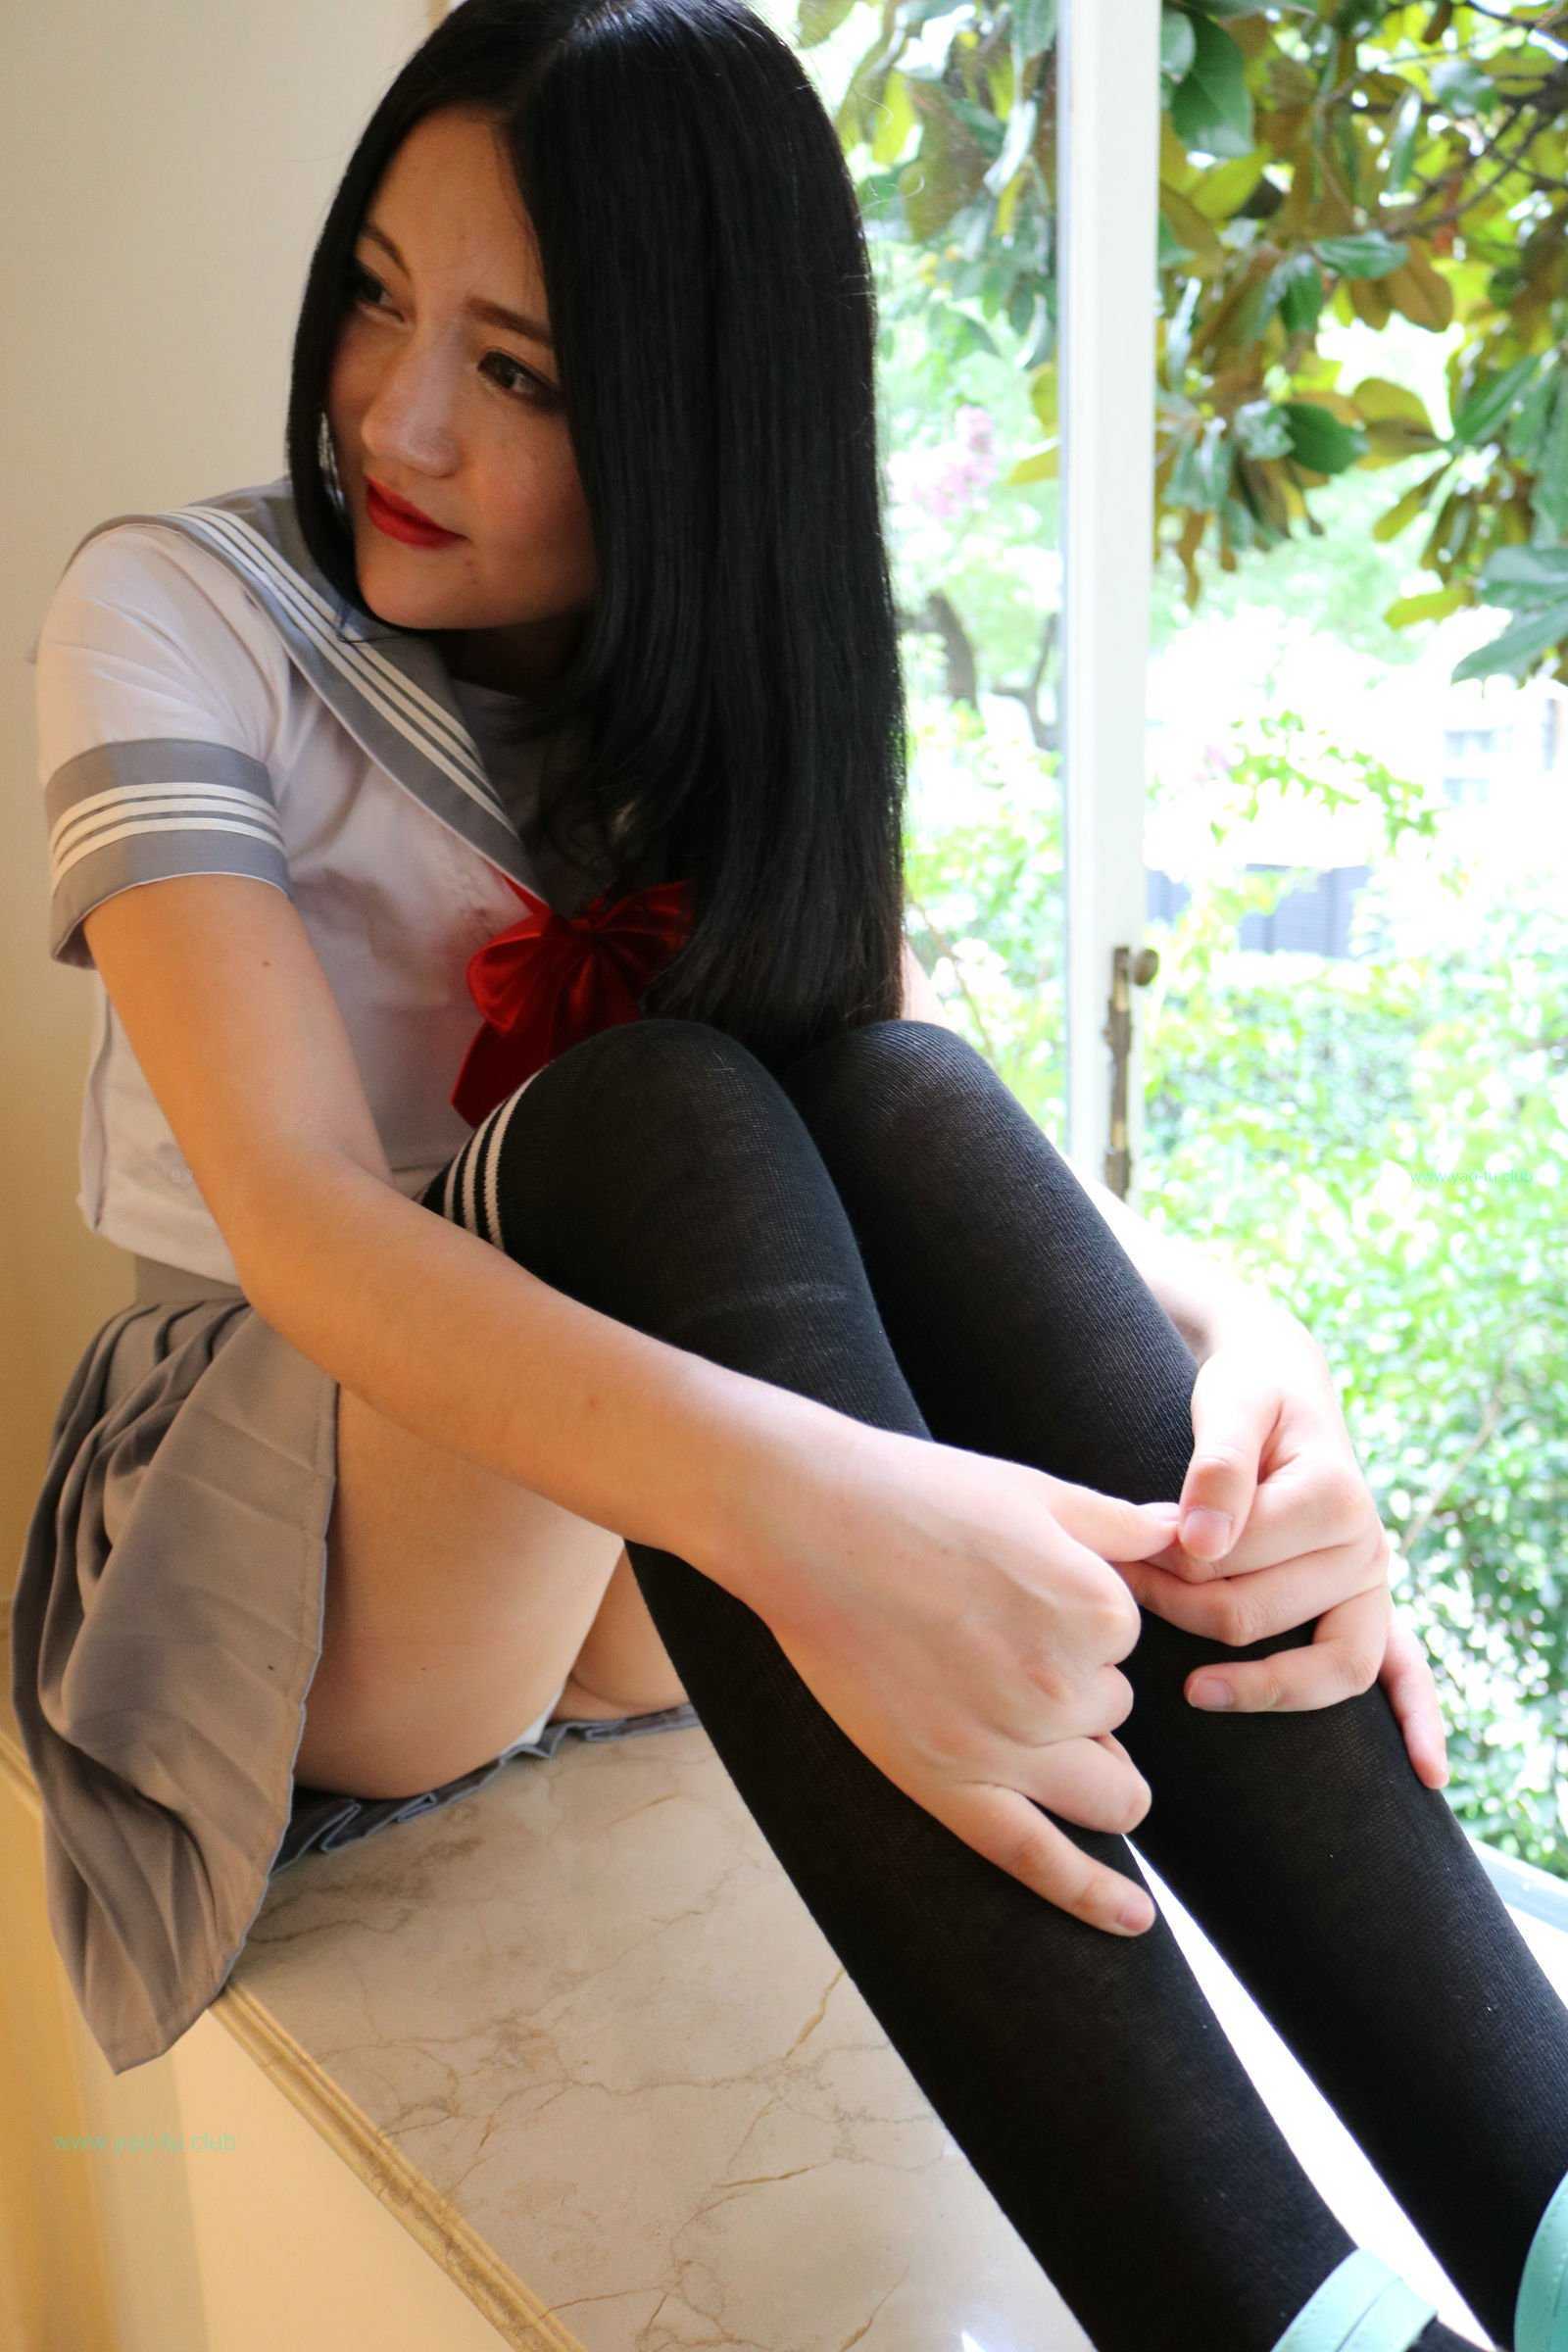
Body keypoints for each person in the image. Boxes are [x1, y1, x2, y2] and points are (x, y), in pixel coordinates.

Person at [12, 3, 1568, 2346]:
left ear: (692, 412)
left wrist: (1255, 1358)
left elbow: (919, 1124)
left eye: (517, 372)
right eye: (374, 300)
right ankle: (1253, 2315)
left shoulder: (734, 668)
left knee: (883, 1090)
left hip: (661, 1556)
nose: (395, 419)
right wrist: (836, 1510)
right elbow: (306, 1227)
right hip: (323, 1522)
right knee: (652, 1111)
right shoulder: (174, 610)